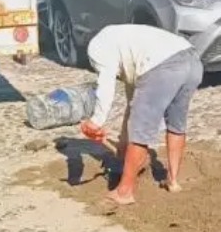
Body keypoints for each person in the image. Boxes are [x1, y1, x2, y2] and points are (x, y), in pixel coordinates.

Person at [79, 24, 204, 205]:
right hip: (192, 61)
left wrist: (96, 121)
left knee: (140, 132)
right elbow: (133, 105)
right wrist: (122, 144)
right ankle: (173, 181)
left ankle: (124, 192)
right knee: (176, 123)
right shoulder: (124, 39)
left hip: (163, 66)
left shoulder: (97, 48)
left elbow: (106, 86)